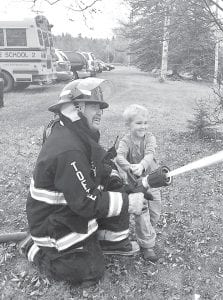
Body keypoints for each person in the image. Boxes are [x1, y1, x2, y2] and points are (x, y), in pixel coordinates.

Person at [19, 78, 146, 286]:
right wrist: (128, 202)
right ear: (75, 108)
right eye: (94, 106)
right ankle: (34, 248)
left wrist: (128, 188)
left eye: (101, 108)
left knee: (117, 193)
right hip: (53, 223)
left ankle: (102, 242)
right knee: (90, 271)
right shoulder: (68, 148)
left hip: (69, 211)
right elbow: (87, 202)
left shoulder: (78, 135)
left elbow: (101, 168)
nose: (100, 113)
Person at [116, 104, 162, 262]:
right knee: (142, 213)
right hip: (136, 185)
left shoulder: (150, 138)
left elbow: (150, 155)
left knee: (155, 212)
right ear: (128, 125)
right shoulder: (125, 141)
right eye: (138, 123)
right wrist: (130, 167)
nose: (143, 126)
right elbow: (119, 157)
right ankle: (147, 246)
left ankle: (147, 230)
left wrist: (142, 165)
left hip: (153, 181)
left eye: (145, 122)